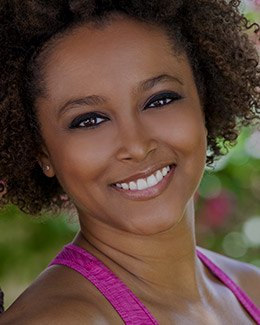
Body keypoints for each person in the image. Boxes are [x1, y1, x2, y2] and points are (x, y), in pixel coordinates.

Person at [0, 0, 259, 323]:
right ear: (42, 152)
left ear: (202, 101)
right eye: (89, 121)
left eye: (160, 100)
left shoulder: (253, 287)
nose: (136, 146)